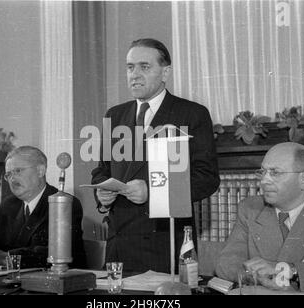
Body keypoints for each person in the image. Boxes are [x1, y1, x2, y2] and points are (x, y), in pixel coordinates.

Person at [91, 38, 220, 273]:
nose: (135, 74)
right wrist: (102, 192)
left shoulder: (192, 114)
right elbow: (103, 170)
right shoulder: (115, 115)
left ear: (165, 72)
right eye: (130, 67)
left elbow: (207, 179)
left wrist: (152, 191)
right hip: (118, 245)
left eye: (144, 67)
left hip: (163, 243)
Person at [216, 142, 304, 292]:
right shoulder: (250, 209)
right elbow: (226, 264)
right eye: (262, 172)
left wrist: (289, 270)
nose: (264, 181)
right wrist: (261, 277)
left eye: (275, 173)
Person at [0, 146, 86, 269]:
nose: (12, 179)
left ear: (40, 171)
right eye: (8, 174)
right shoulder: (8, 205)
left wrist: (5, 257)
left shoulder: (62, 204)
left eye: (18, 171)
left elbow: (51, 254)